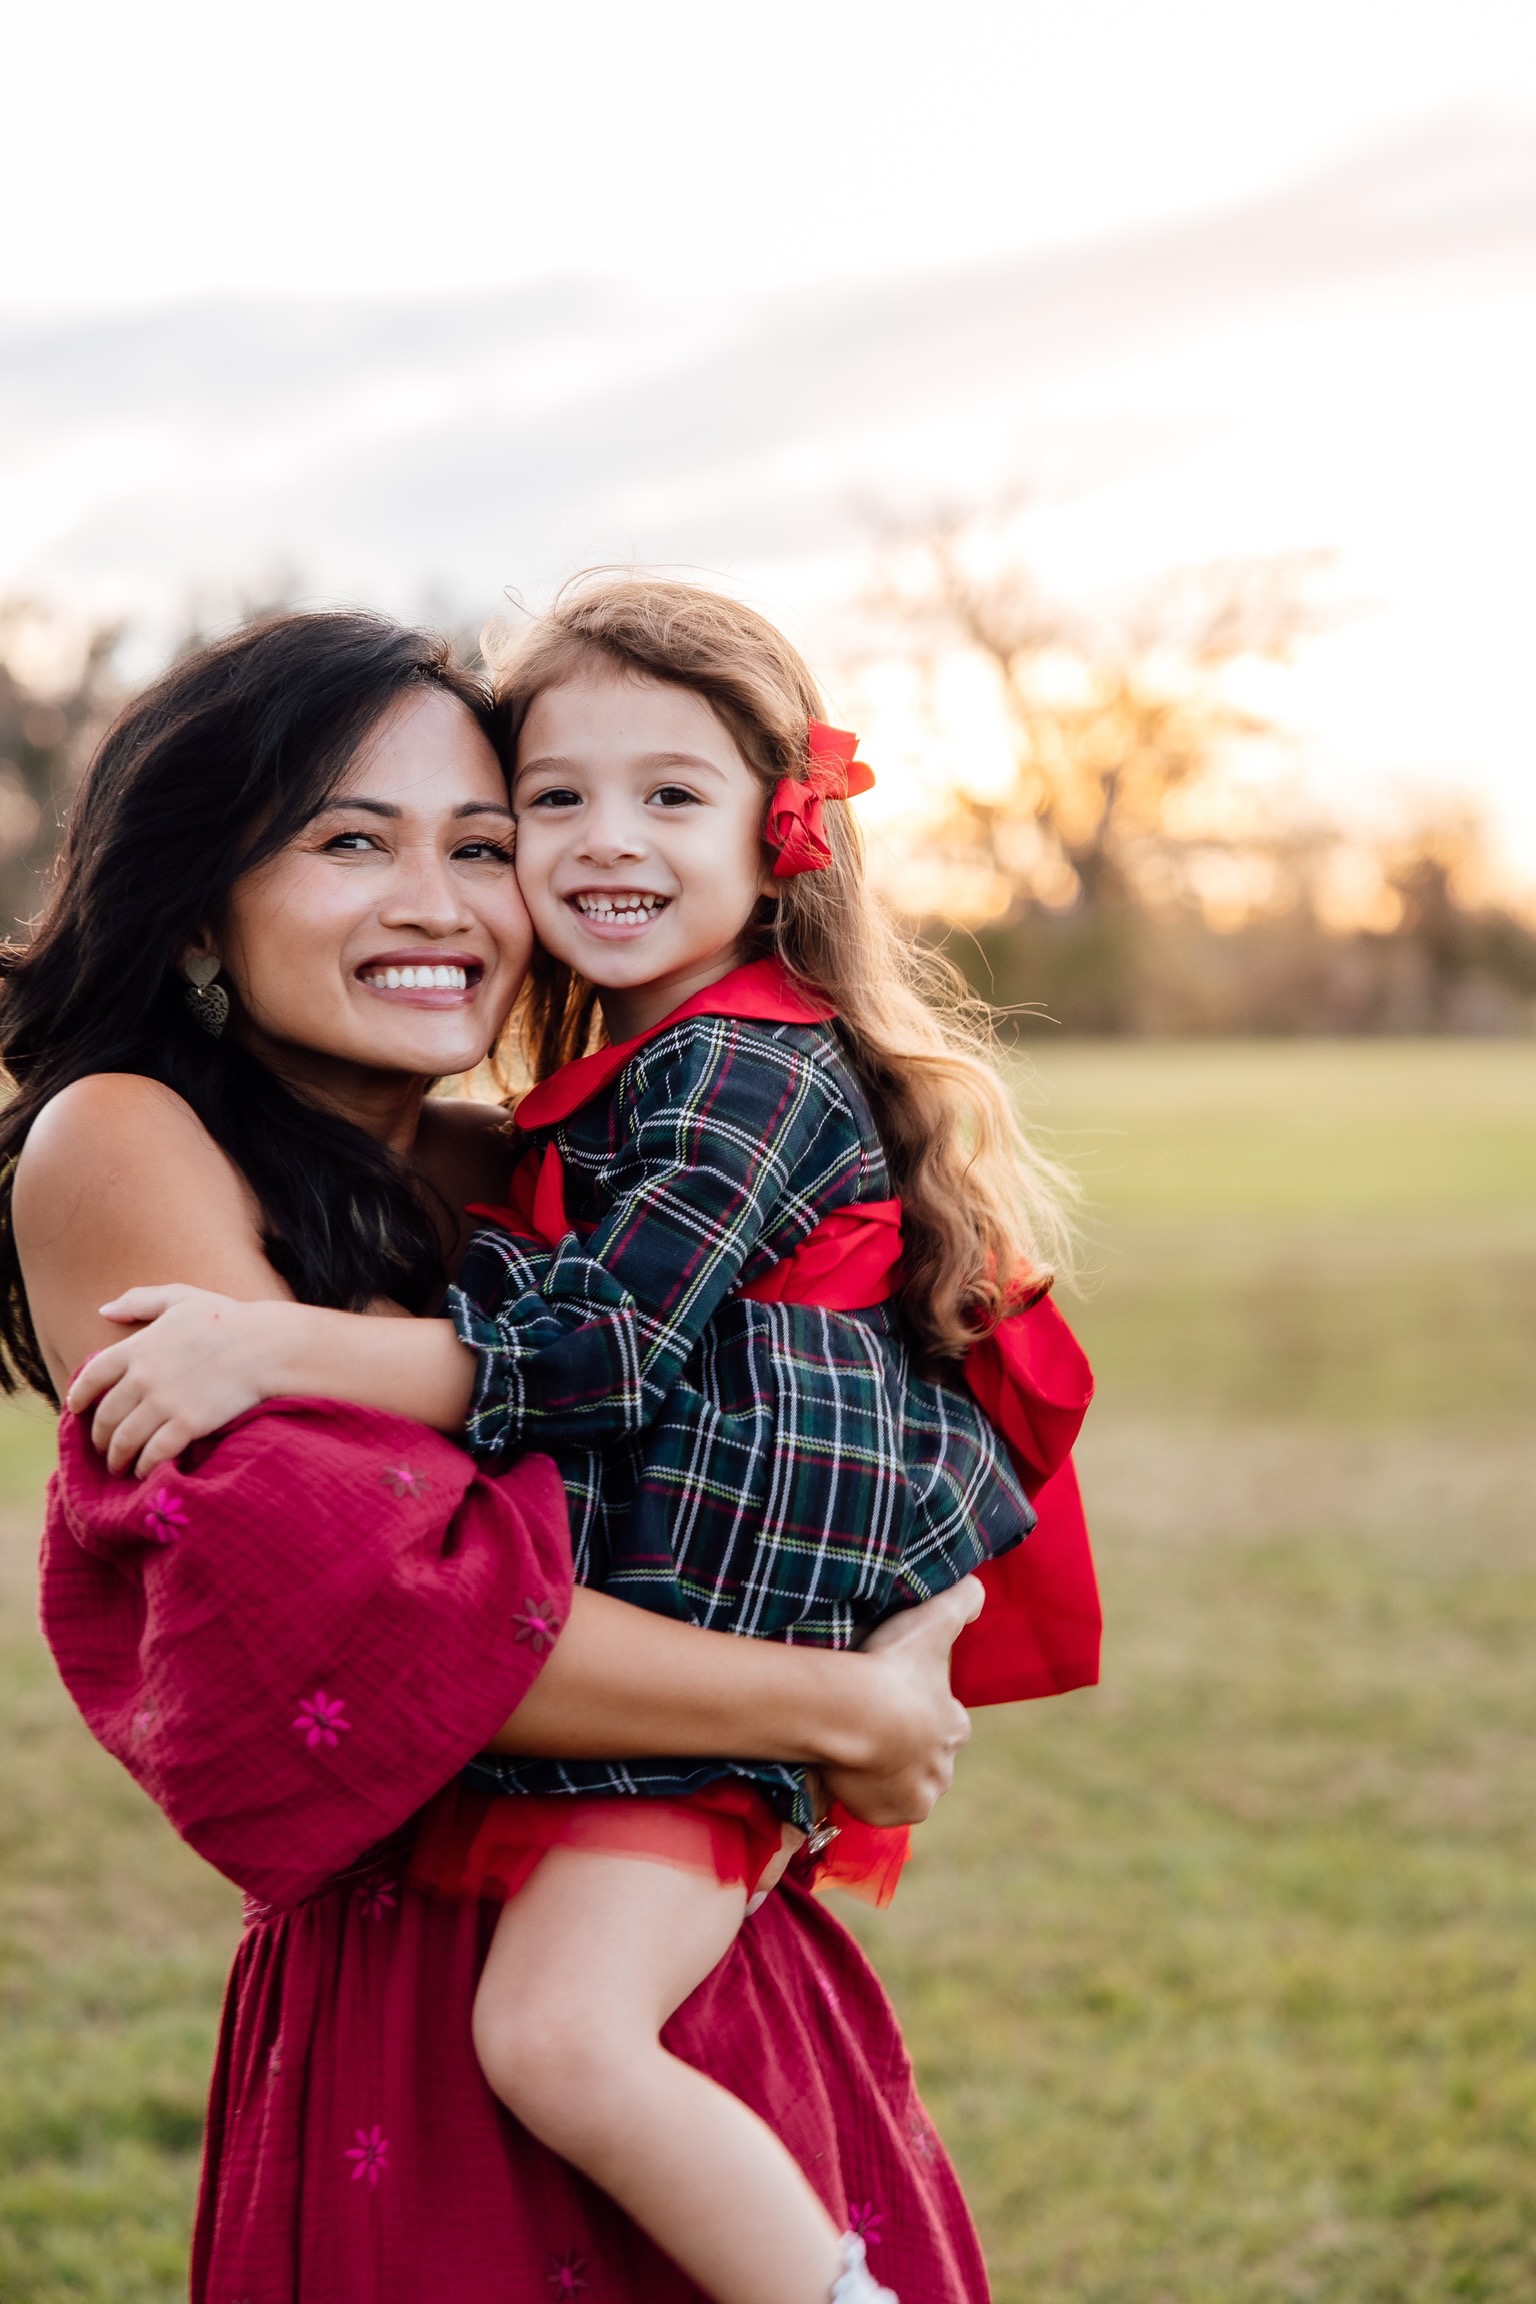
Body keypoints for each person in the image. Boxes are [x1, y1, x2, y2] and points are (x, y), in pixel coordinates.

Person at [66, 584, 1095, 2304]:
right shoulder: (131, 1140)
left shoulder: (540, 1161)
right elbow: (372, 1614)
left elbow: (687, 1397)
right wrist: (845, 1705)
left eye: (476, 842)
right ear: (197, 902)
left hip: (662, 1940)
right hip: (440, 1974)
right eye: (350, 841)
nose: (442, 901)